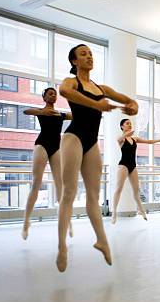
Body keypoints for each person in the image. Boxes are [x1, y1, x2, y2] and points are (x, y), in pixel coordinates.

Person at [56, 44, 138, 272]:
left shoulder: (101, 88)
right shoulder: (72, 82)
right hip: (73, 137)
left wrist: (132, 108)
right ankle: (62, 246)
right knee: (69, 193)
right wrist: (97, 105)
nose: (89, 57)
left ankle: (102, 240)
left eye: (90, 53)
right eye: (83, 54)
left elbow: (131, 101)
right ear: (74, 61)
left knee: (94, 195)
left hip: (92, 143)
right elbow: (65, 92)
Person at [21, 88, 73, 240]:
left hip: (56, 148)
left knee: (60, 186)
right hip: (42, 145)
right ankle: (26, 221)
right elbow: (26, 111)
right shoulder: (40, 111)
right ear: (44, 97)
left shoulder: (60, 114)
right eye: (50, 93)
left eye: (55, 93)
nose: (53, 95)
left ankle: (67, 221)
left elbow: (75, 116)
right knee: (36, 183)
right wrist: (42, 113)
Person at [111, 119, 160, 224]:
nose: (130, 125)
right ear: (122, 126)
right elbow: (119, 139)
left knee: (136, 190)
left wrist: (159, 140)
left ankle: (141, 210)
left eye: (130, 123)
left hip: (133, 166)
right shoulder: (121, 139)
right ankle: (114, 213)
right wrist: (126, 134)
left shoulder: (135, 139)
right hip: (123, 165)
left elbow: (148, 142)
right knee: (118, 188)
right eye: (127, 123)